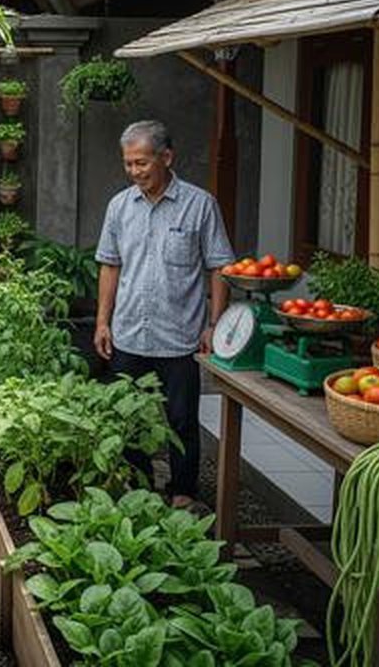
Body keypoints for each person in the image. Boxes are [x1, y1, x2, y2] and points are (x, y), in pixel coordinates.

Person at [93, 120, 234, 510]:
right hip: (128, 334)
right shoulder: (120, 207)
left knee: (182, 420)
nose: (135, 172)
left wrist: (214, 324)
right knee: (129, 417)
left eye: (142, 163)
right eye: (129, 164)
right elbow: (109, 265)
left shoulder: (199, 204)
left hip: (179, 336)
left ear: (166, 157)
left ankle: (183, 491)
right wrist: (103, 321)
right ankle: (139, 488)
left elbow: (220, 265)